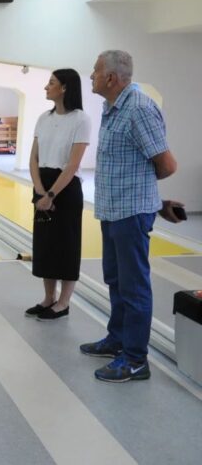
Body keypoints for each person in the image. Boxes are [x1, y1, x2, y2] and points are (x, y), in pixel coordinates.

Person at [80, 50, 182, 382]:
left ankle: (136, 359)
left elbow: (166, 165)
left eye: (95, 71)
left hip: (131, 212)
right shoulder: (112, 107)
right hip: (113, 210)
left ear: (110, 77)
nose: (91, 76)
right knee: (115, 280)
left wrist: (147, 195)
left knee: (134, 286)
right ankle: (118, 340)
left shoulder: (138, 109)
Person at [26, 69, 91, 321]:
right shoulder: (44, 118)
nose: (46, 87)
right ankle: (48, 298)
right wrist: (39, 191)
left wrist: (51, 195)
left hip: (65, 188)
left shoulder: (81, 120)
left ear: (64, 88)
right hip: (42, 185)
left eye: (51, 83)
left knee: (66, 245)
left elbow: (73, 165)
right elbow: (34, 158)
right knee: (45, 245)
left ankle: (63, 303)